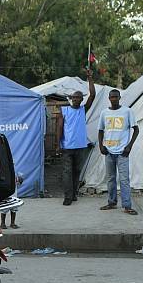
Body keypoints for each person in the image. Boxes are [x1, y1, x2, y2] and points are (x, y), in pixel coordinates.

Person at [56, 69, 96, 206]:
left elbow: (92, 95)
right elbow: (59, 128)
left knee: (76, 171)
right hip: (67, 147)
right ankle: (68, 197)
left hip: (80, 147)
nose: (76, 99)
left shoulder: (83, 110)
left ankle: (73, 194)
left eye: (78, 98)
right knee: (67, 172)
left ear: (81, 99)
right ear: (71, 99)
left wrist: (90, 78)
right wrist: (58, 144)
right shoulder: (64, 110)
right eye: (74, 97)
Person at [98, 89, 139, 215]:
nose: (114, 99)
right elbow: (100, 130)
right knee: (110, 179)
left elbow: (136, 129)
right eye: (112, 97)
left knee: (124, 180)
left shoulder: (127, 111)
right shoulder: (104, 112)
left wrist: (129, 146)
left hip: (122, 152)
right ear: (109, 98)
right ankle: (112, 202)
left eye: (116, 97)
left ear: (119, 97)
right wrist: (101, 146)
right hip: (109, 151)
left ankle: (127, 205)